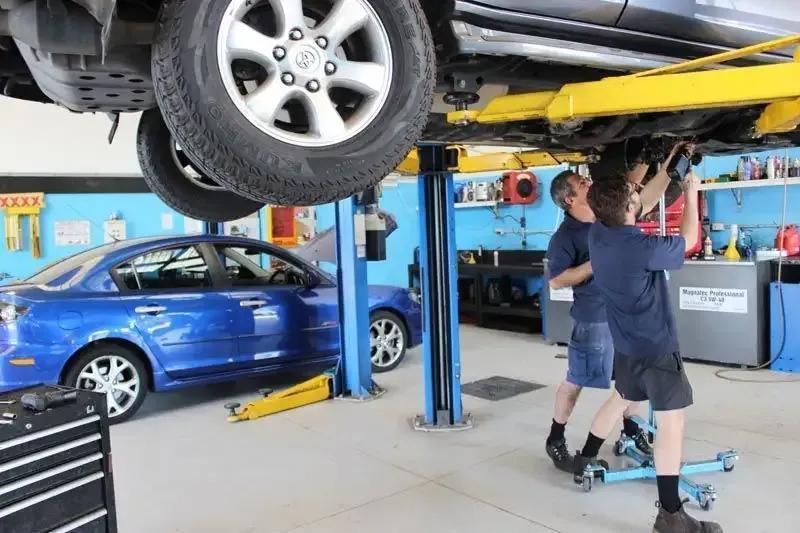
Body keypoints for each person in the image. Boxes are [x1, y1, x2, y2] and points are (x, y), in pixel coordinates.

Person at [573, 170, 722, 532]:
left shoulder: (599, 234)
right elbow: (689, 238)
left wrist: (668, 170)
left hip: (626, 346)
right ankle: (671, 515)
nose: (638, 195)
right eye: (633, 194)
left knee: (620, 399)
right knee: (672, 422)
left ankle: (586, 459)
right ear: (628, 207)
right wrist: (691, 192)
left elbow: (637, 205)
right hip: (656, 346)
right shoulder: (641, 248)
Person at [544, 169, 652, 473]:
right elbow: (556, 280)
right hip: (594, 319)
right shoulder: (565, 236)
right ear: (569, 199)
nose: (589, 183)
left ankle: (632, 431)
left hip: (625, 314)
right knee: (576, 380)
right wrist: (595, 263)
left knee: (633, 378)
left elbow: (640, 197)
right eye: (582, 184)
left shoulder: (606, 218)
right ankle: (555, 438)